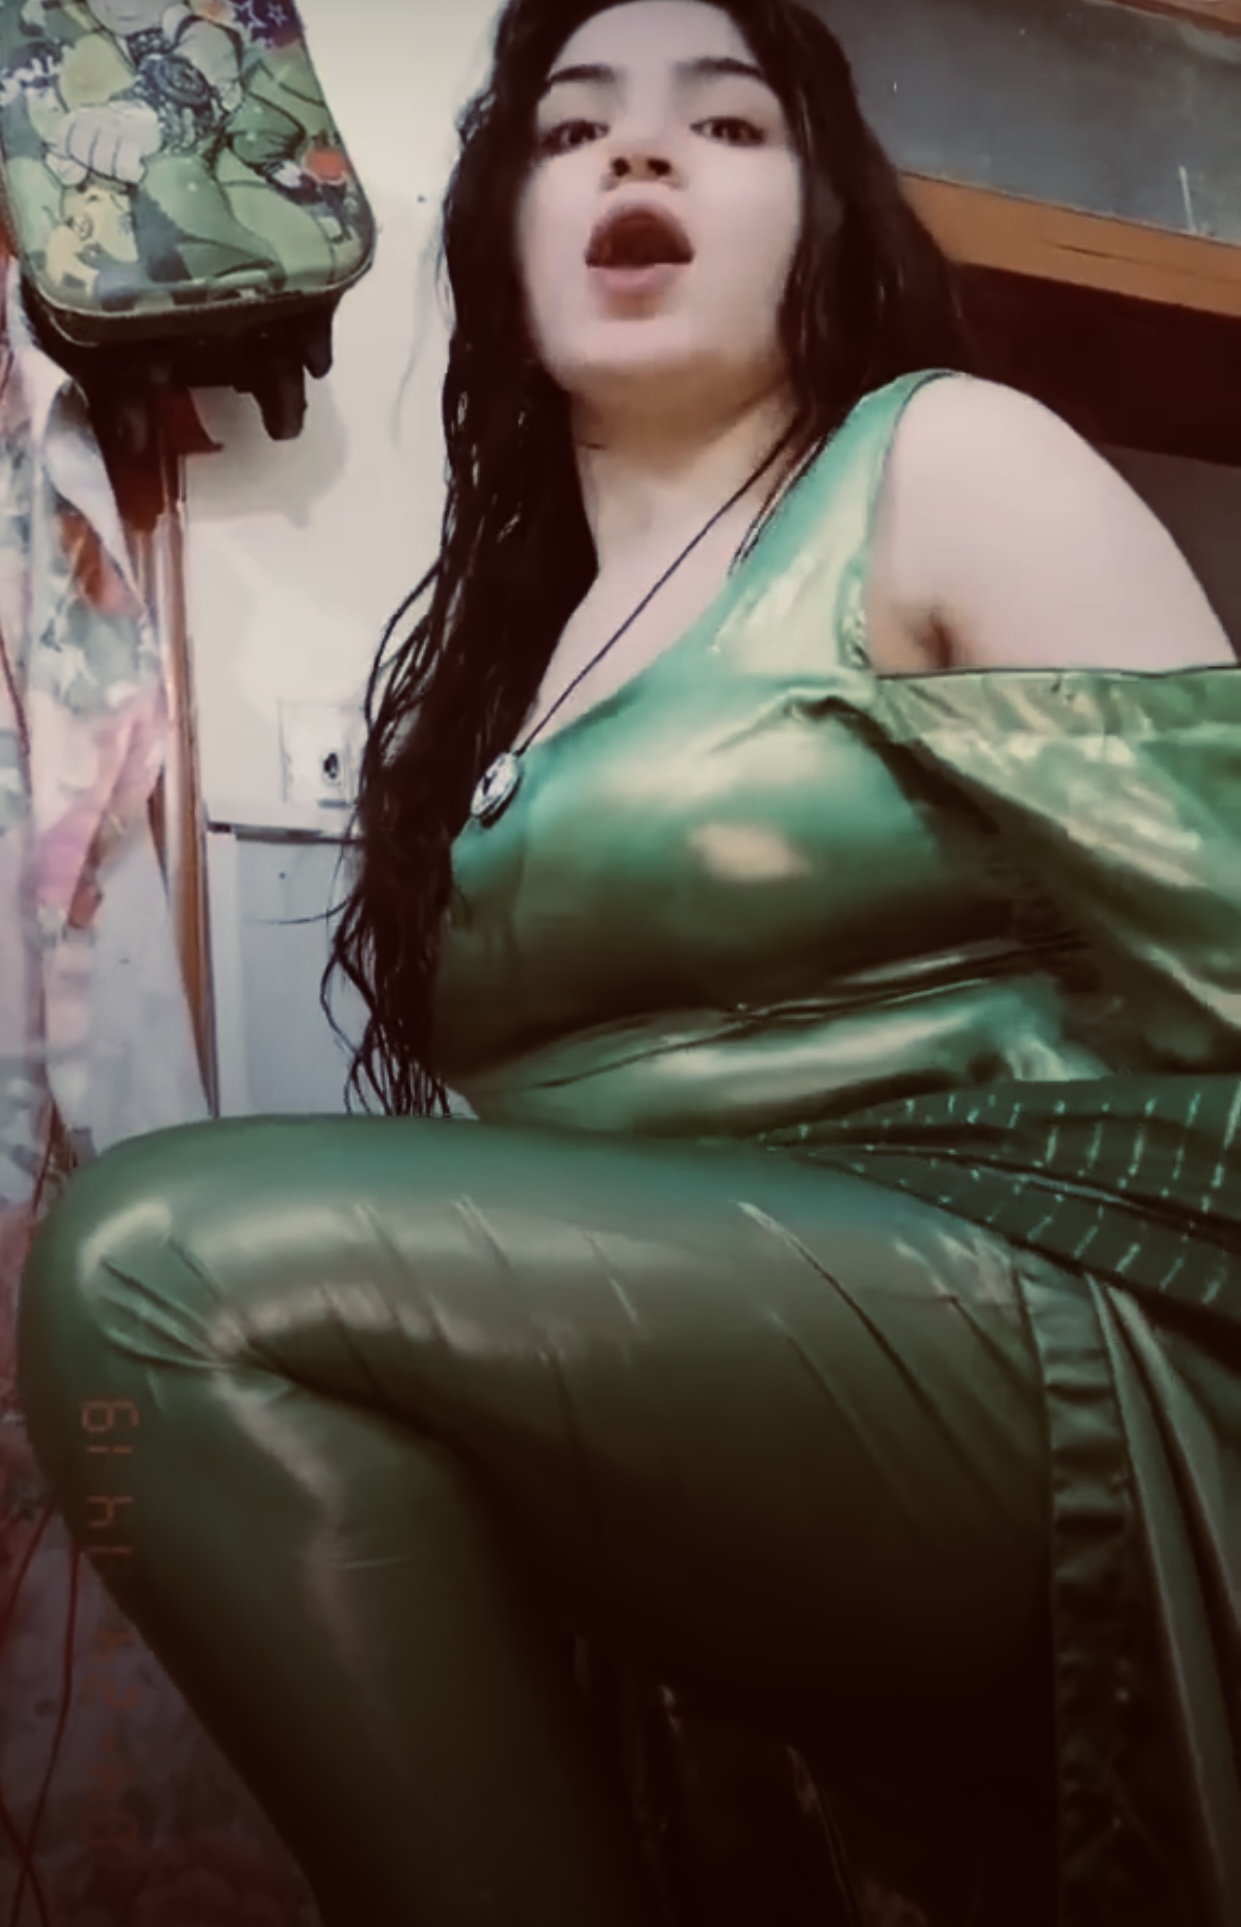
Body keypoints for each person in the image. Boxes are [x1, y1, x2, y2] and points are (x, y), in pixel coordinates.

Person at [15, 1, 1241, 1922]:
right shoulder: (523, 662)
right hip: (730, 1408)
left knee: (155, 1270)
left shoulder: (943, 460)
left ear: (825, 217)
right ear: (499, 236)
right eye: (570, 130)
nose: (639, 154)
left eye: (726, 128)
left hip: (1027, 1355)